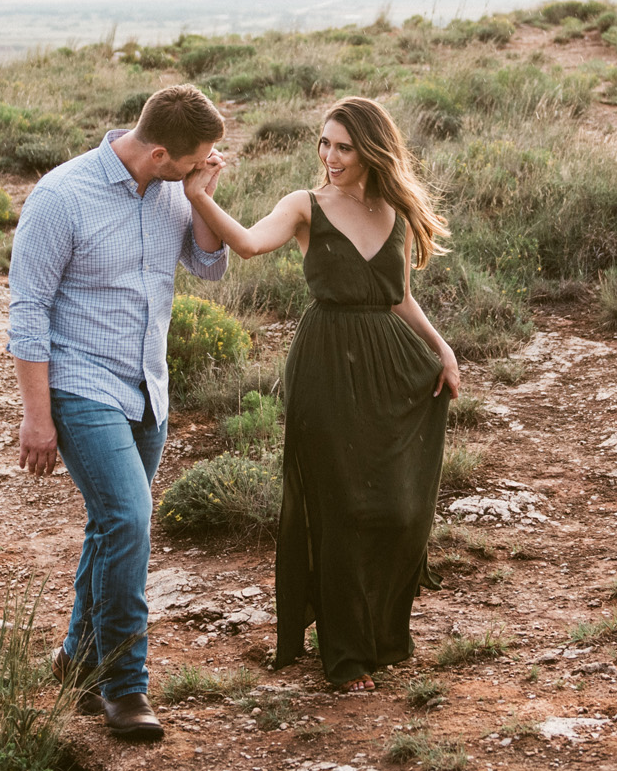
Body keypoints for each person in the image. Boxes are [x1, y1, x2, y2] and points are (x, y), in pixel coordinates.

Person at [184, 95, 458, 691]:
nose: (329, 157)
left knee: (399, 507)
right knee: (340, 508)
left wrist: (443, 350)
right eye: (324, 144)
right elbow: (252, 245)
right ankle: (346, 653)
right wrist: (201, 197)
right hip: (326, 366)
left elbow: (398, 298)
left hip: (390, 367)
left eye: (343, 147)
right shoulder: (304, 207)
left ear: (371, 151)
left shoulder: (395, 210)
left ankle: (385, 631)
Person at [5, 84, 231, 741]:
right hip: (81, 387)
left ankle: (76, 657)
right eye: (198, 162)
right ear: (161, 151)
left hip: (148, 390)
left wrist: (202, 197)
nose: (205, 167)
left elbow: (209, 268)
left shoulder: (174, 193)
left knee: (110, 528)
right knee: (130, 519)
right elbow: (28, 310)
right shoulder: (60, 197)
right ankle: (123, 686)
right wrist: (37, 417)